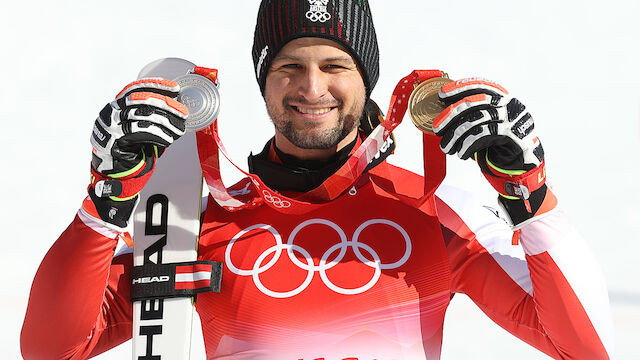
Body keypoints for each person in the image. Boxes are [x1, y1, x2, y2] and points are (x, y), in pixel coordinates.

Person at [21, 0, 614, 359]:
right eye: (289, 66)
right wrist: (105, 201)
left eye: (335, 66)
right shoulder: (194, 226)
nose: (311, 88)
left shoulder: (434, 212)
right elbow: (52, 349)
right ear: (263, 81)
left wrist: (528, 195)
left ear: (367, 79)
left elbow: (582, 348)